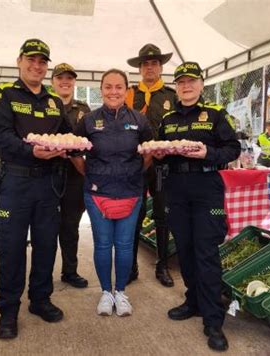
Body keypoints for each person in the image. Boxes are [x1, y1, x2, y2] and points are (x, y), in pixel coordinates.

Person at [155, 62, 240, 351]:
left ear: (201, 84)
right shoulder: (167, 119)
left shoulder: (215, 114)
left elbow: (233, 149)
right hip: (176, 189)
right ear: (176, 87)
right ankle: (192, 301)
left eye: (191, 81)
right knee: (185, 250)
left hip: (207, 189)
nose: (186, 86)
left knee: (206, 252)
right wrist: (159, 153)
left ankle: (213, 319)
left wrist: (208, 153)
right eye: (181, 82)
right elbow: (159, 155)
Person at [0, 38, 71, 339]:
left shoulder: (53, 100)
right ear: (19, 61)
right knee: (11, 247)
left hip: (49, 182)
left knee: (47, 243)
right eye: (31, 60)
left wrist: (69, 147)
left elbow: (65, 134)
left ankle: (40, 300)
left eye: (42, 61)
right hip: (17, 180)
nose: (36, 66)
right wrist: (31, 152)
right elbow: (2, 136)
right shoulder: (6, 94)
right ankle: (8, 309)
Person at [72, 69, 153, 317]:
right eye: (108, 87)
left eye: (119, 87)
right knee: (103, 245)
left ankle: (121, 292)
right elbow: (75, 151)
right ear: (101, 90)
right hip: (97, 193)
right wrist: (92, 175)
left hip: (131, 191)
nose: (113, 91)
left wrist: (134, 173)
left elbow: (149, 151)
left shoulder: (140, 120)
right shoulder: (88, 120)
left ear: (127, 90)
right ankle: (106, 293)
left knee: (126, 246)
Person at [125, 43, 176, 287]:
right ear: (140, 68)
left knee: (163, 215)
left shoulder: (171, 96)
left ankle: (163, 265)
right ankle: (131, 265)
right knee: (134, 214)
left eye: (154, 63)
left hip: (163, 166)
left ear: (161, 66)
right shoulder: (129, 94)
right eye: (145, 63)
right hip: (135, 165)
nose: (150, 67)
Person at [50, 63, 91, 288]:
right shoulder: (43, 105)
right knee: (45, 227)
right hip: (48, 174)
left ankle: (70, 271)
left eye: (69, 78)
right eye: (60, 78)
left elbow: (91, 140)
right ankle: (43, 272)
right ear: (52, 81)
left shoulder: (84, 109)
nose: (65, 82)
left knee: (70, 226)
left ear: (74, 81)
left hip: (75, 174)